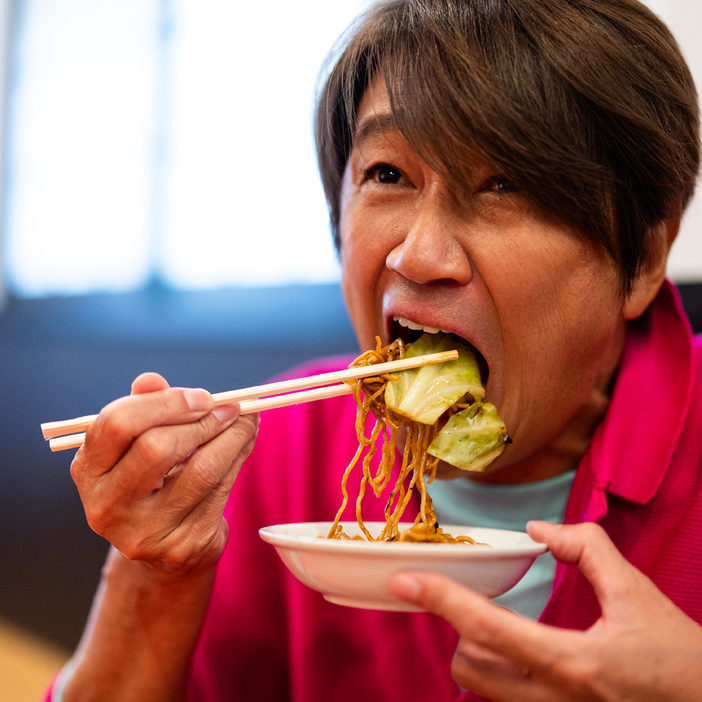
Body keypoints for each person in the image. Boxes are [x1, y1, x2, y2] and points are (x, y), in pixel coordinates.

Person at [46, 0, 702, 700]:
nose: (420, 257)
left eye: (506, 183)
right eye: (388, 174)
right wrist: (155, 568)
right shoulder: (281, 449)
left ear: (643, 258)